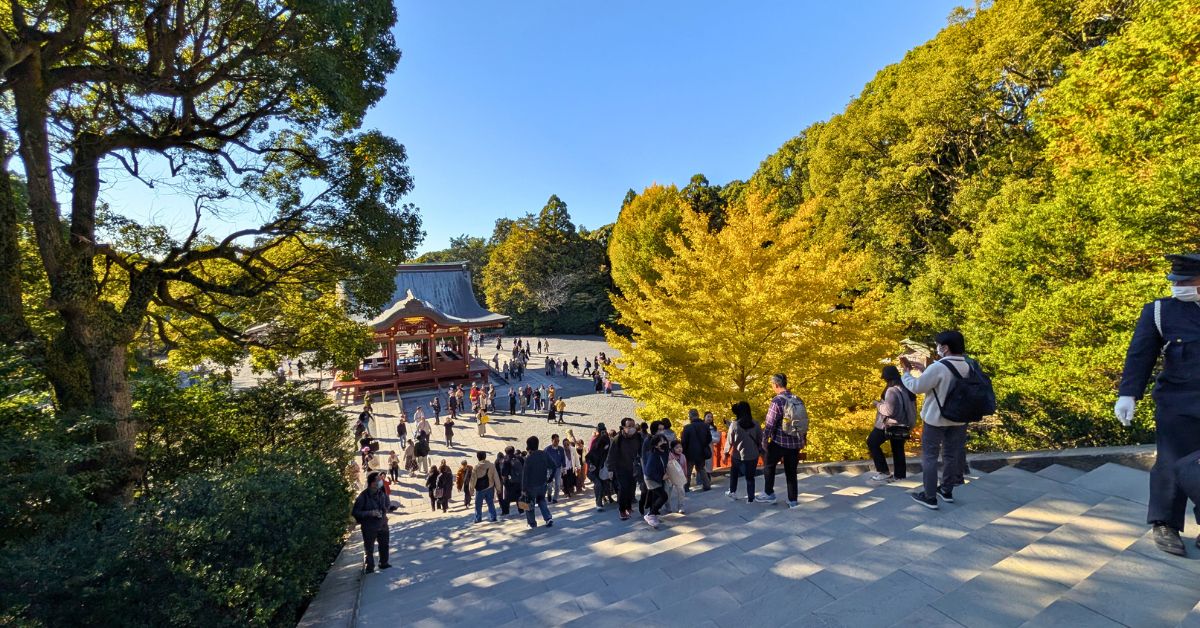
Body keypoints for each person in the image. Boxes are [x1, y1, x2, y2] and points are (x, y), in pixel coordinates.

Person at [1116, 252, 1200, 556]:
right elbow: (1140, 354)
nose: (1179, 286)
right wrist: (1128, 394)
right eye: (1176, 281)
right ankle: (1164, 523)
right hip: (1176, 402)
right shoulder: (1160, 311)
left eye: (1187, 281)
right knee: (1171, 463)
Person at [899, 331, 972, 510]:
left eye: (939, 345)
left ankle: (929, 496)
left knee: (930, 457)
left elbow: (916, 387)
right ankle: (946, 490)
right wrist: (925, 372)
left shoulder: (938, 367)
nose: (937, 348)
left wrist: (906, 374)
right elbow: (947, 382)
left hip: (936, 419)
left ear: (945, 347)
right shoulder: (969, 365)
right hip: (958, 419)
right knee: (950, 455)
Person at [757, 374, 805, 507]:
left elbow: (770, 423)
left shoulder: (777, 401)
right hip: (795, 442)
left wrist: (764, 439)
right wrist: (802, 440)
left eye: (772, 385)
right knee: (791, 473)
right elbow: (802, 421)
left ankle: (769, 493)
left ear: (776, 385)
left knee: (769, 465)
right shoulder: (798, 399)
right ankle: (792, 500)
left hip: (780, 441)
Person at [868, 366, 916, 484]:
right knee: (898, 449)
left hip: (889, 424)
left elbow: (889, 411)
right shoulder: (906, 387)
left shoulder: (891, 391)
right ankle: (900, 476)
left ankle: (883, 472)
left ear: (887, 378)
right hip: (903, 424)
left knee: (872, 442)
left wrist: (877, 404)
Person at [351, 471, 391, 573]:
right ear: (372, 483)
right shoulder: (363, 496)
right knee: (369, 548)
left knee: (384, 544)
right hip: (369, 526)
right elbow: (355, 512)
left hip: (382, 524)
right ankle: (369, 567)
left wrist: (384, 511)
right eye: (378, 480)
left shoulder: (381, 493)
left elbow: (387, 504)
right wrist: (370, 513)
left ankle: (384, 563)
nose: (380, 481)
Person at [606, 417, 644, 521]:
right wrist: (610, 469)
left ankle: (628, 507)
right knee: (623, 488)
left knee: (631, 488)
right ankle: (622, 510)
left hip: (633, 466)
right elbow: (611, 455)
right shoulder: (618, 439)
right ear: (623, 427)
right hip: (620, 467)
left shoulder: (638, 437)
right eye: (629, 426)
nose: (632, 428)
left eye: (633, 426)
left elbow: (641, 451)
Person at [726, 400, 762, 503]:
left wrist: (726, 453)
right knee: (750, 478)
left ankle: (732, 492)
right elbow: (760, 438)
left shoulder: (734, 424)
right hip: (753, 455)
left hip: (737, 455)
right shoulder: (755, 423)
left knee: (734, 473)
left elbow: (729, 441)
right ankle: (751, 498)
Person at [521, 436, 555, 528]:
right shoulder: (544, 454)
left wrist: (523, 489)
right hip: (542, 483)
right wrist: (550, 478)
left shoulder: (528, 459)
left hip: (531, 486)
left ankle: (532, 523)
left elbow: (525, 475)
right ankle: (548, 518)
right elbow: (553, 465)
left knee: (529, 504)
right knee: (542, 500)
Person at [641, 433, 671, 528]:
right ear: (655, 445)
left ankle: (653, 514)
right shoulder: (653, 455)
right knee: (663, 496)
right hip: (652, 479)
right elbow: (648, 471)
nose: (664, 442)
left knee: (657, 497)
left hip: (659, 476)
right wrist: (661, 477)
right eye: (661, 441)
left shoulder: (665, 451)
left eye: (664, 440)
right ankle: (650, 515)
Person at [681, 409, 713, 492]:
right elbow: (709, 439)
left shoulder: (687, 427)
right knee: (701, 469)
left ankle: (686, 487)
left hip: (690, 452)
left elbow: (684, 442)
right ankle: (706, 485)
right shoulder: (705, 426)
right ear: (698, 415)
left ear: (690, 416)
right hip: (701, 452)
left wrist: (683, 452)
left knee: (688, 471)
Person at [586, 423, 611, 511]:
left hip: (601, 468)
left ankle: (606, 498)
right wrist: (591, 465)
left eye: (605, 431)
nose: (604, 434)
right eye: (602, 432)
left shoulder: (607, 441)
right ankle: (598, 503)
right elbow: (588, 457)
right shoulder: (596, 443)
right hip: (592, 469)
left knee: (605, 483)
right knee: (598, 484)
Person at [473, 451, 501, 523]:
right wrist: (498, 488)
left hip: (479, 489)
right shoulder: (491, 465)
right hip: (490, 487)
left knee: (478, 504)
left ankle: (478, 518)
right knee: (490, 503)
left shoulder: (476, 467)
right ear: (485, 457)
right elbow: (496, 477)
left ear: (478, 458)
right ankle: (493, 516)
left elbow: (473, 480)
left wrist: (471, 490)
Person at [500, 446, 524, 517]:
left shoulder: (505, 460)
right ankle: (521, 510)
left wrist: (504, 482)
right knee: (519, 496)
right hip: (519, 481)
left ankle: (506, 512)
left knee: (507, 498)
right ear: (513, 451)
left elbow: (503, 473)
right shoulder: (519, 458)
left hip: (509, 483)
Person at [666, 439, 687, 514]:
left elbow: (684, 467)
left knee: (681, 491)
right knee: (668, 492)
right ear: (672, 449)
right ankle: (668, 506)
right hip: (670, 477)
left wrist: (685, 476)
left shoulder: (683, 456)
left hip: (679, 477)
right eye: (677, 447)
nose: (679, 449)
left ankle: (681, 507)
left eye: (680, 447)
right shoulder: (669, 456)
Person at [545, 434, 567, 503]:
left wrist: (564, 467)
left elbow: (563, 458)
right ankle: (549, 494)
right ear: (552, 440)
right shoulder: (547, 449)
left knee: (557, 484)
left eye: (558, 441)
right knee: (549, 485)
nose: (557, 442)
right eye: (555, 441)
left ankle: (555, 498)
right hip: (550, 469)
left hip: (558, 468)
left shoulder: (561, 449)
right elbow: (543, 459)